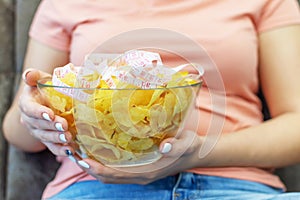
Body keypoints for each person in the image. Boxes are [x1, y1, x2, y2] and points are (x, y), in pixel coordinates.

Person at [3, 0, 300, 199]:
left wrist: (200, 152)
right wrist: (34, 114)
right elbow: (19, 130)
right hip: (96, 187)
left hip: (237, 186)